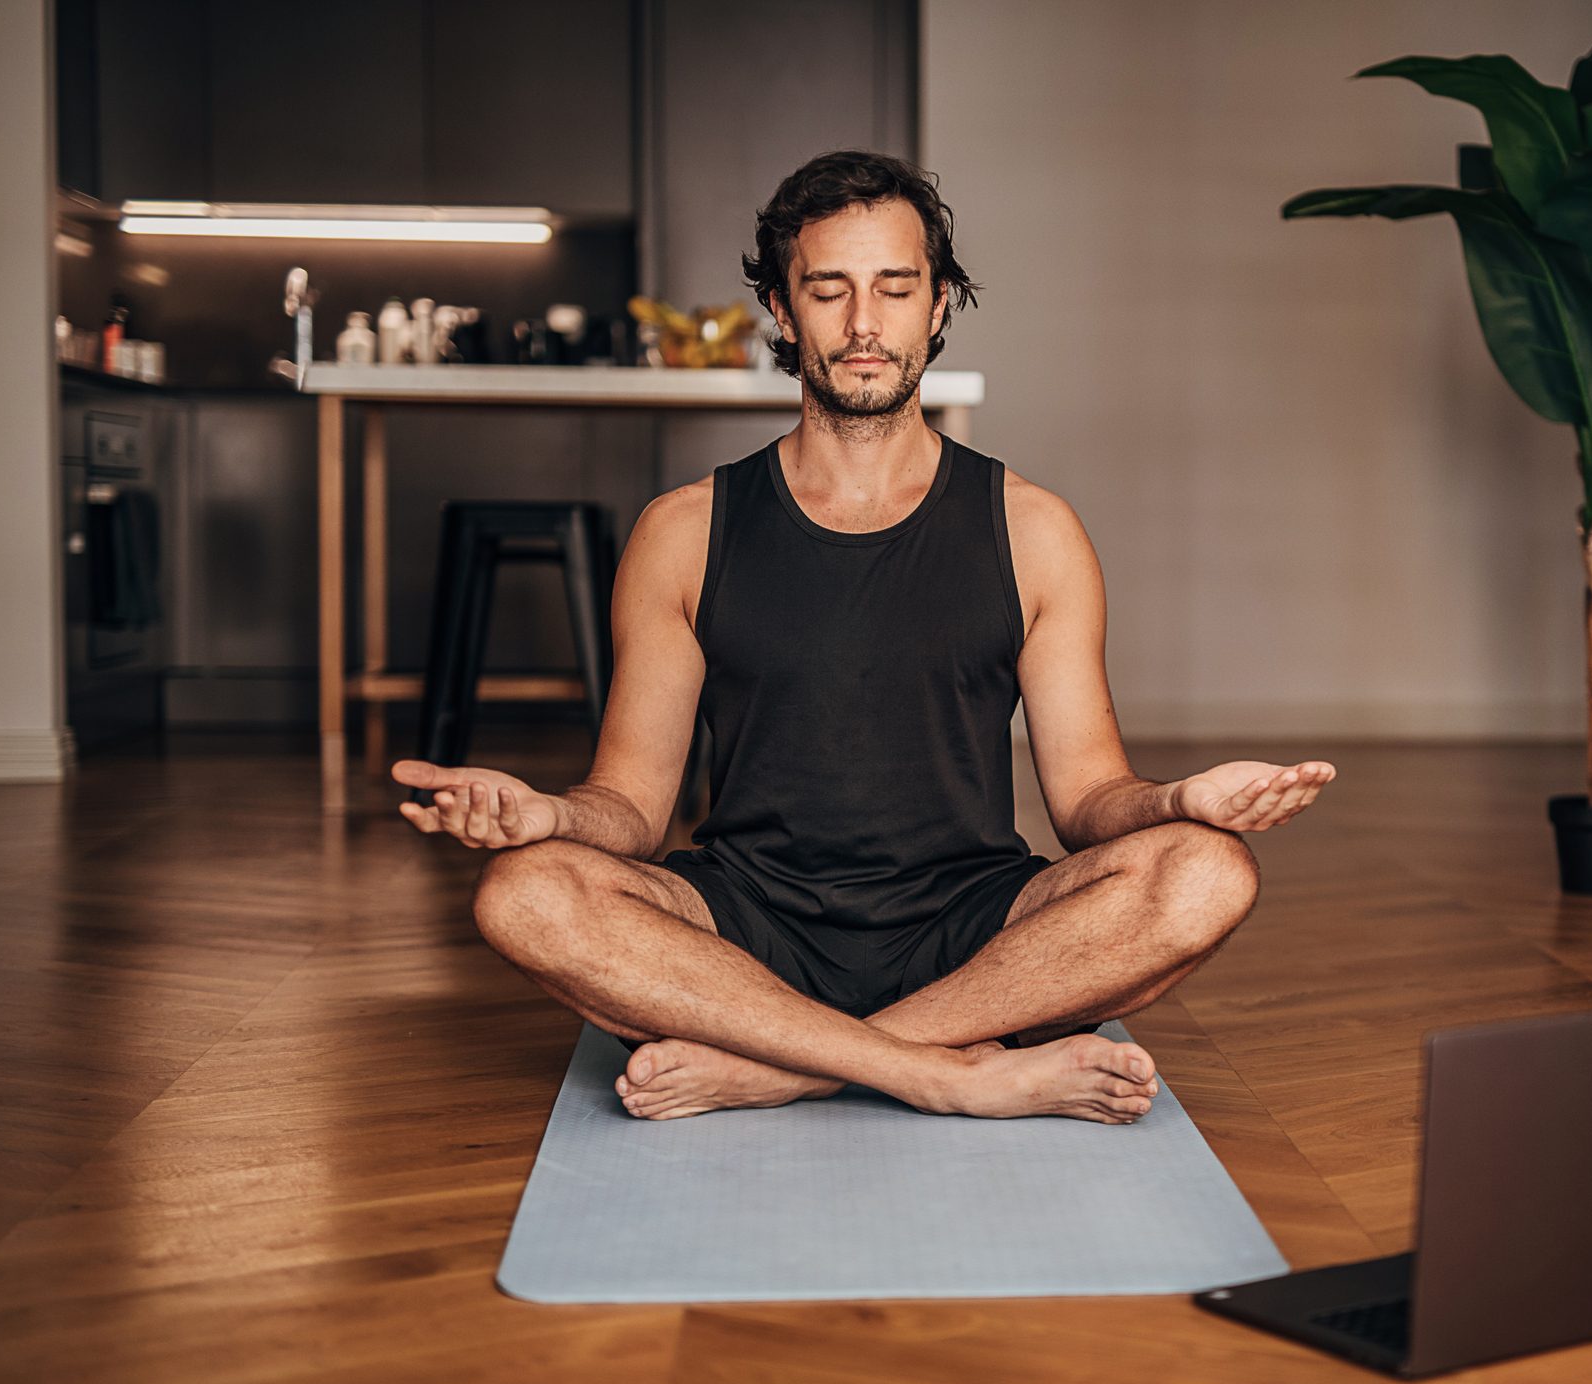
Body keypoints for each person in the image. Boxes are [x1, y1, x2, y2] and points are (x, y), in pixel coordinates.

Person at [392, 150, 1336, 1124]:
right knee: (523, 894)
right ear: (780, 309)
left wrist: (1182, 798)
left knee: (1206, 873)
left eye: (895, 288)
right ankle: (941, 1067)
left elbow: (1088, 801)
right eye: (828, 290)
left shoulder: (1035, 530)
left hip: (971, 929)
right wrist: (549, 819)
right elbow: (630, 806)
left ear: (936, 306)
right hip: (744, 922)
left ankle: (786, 1062)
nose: (862, 326)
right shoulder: (681, 532)